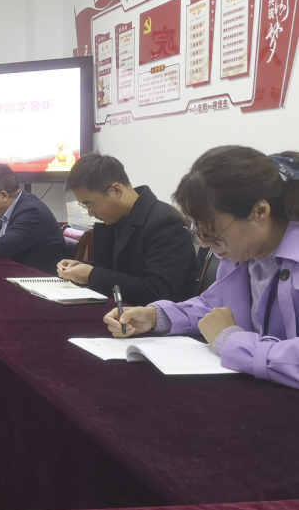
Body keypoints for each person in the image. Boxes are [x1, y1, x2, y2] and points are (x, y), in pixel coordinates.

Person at [104, 146, 299, 389]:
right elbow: (215, 307)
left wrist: (232, 342)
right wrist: (156, 316)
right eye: (198, 229)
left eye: (213, 230)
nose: (204, 243)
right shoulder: (244, 255)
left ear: (259, 212)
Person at [57, 154, 198, 305]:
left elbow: (159, 291)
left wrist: (92, 275)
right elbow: (114, 271)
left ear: (116, 190)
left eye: (90, 205)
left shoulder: (166, 222)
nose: (91, 213)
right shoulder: (114, 220)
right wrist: (80, 269)